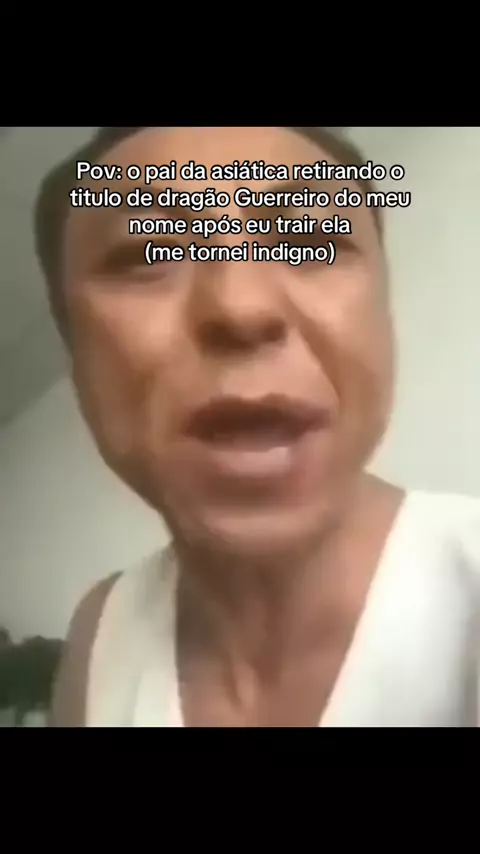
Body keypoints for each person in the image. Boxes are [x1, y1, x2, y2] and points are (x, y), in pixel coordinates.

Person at [36, 126, 480, 727]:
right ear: (76, 351)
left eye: (312, 242)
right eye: (147, 254)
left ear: (382, 314)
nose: (241, 307)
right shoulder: (102, 629)